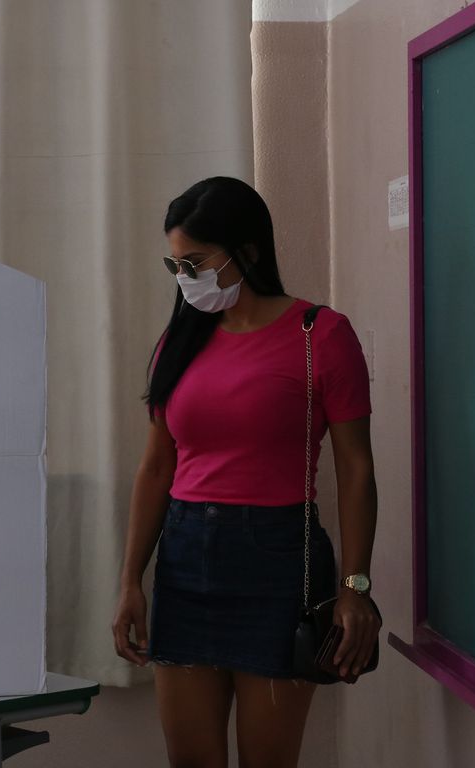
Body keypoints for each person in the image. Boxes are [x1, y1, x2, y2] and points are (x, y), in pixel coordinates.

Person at [111, 177, 380, 768]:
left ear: (249, 251)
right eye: (175, 264)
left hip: (280, 561)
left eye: (196, 262)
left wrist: (355, 588)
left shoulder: (322, 336)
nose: (185, 278)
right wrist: (131, 578)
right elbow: (157, 468)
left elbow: (356, 469)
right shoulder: (178, 342)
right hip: (184, 560)